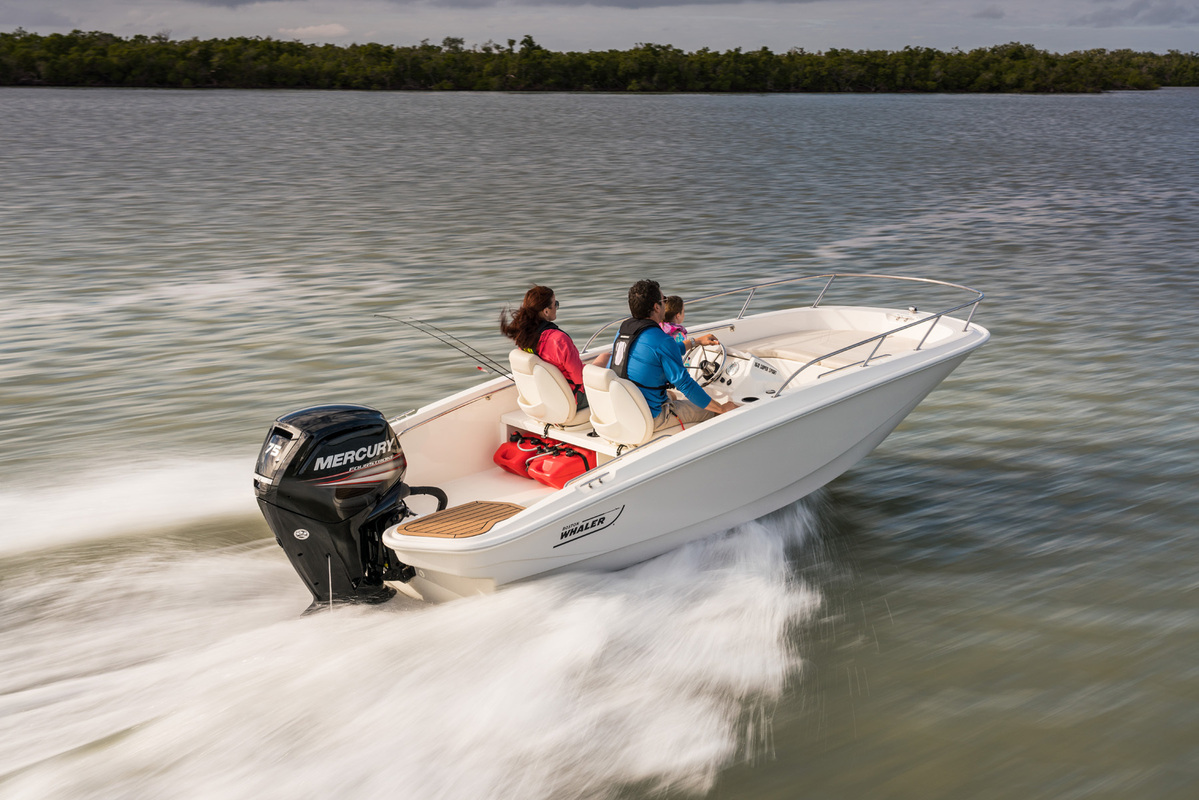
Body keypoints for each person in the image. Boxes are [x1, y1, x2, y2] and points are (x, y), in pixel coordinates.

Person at [611, 280, 736, 429]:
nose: (665, 303)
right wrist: (722, 408)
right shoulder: (662, 340)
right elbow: (685, 384)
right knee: (715, 410)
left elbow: (661, 352)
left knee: (673, 396)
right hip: (650, 416)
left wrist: (696, 342)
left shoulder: (624, 331)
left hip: (625, 406)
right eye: (664, 300)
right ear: (656, 307)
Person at [500, 286, 590, 409]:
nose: (557, 307)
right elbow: (580, 378)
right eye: (555, 304)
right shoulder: (558, 340)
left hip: (543, 400)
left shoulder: (523, 338)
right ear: (546, 311)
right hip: (570, 401)